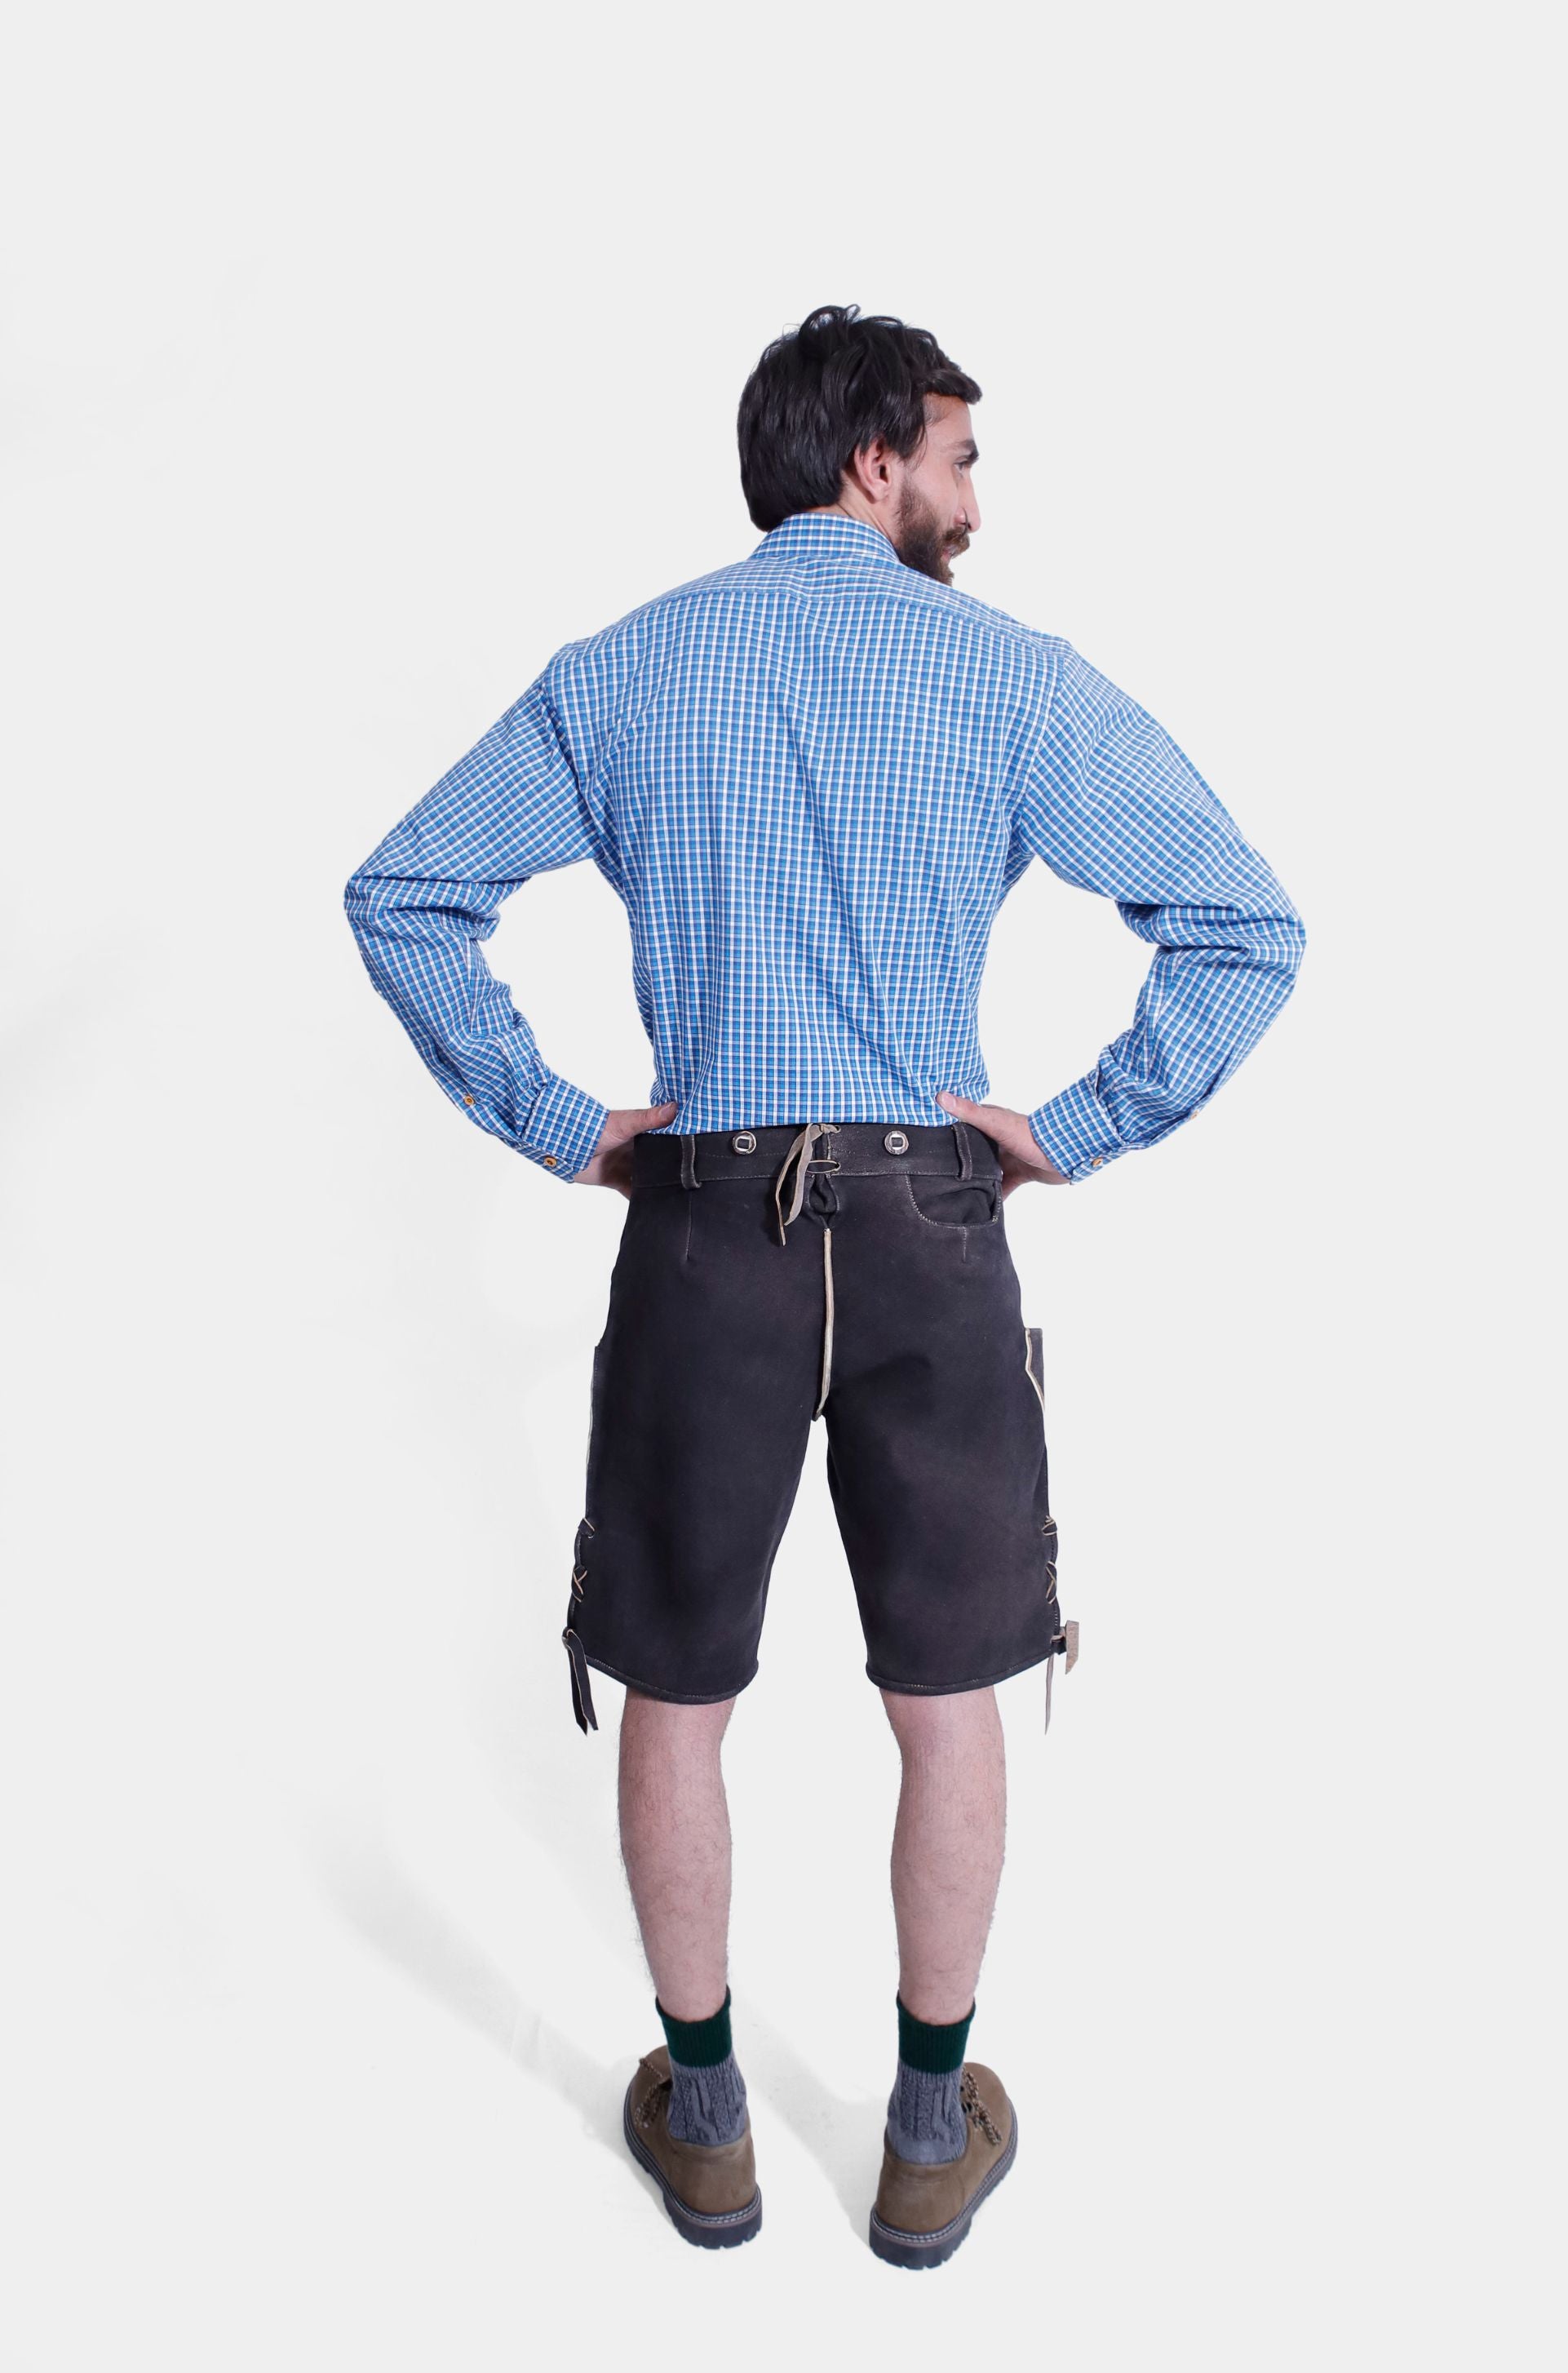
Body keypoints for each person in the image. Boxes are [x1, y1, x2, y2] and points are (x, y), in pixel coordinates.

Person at [343, 302, 1306, 2267]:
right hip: (930, 1228)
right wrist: (1067, 1125)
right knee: (948, 1703)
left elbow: (404, 891)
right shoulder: (1005, 681)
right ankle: (931, 2128)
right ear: (869, 460)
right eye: (957, 457)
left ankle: (704, 2114)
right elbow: (1242, 920)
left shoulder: (626, 673)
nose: (970, 498)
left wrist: (564, 1122)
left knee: (675, 1701)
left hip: (702, 1226)